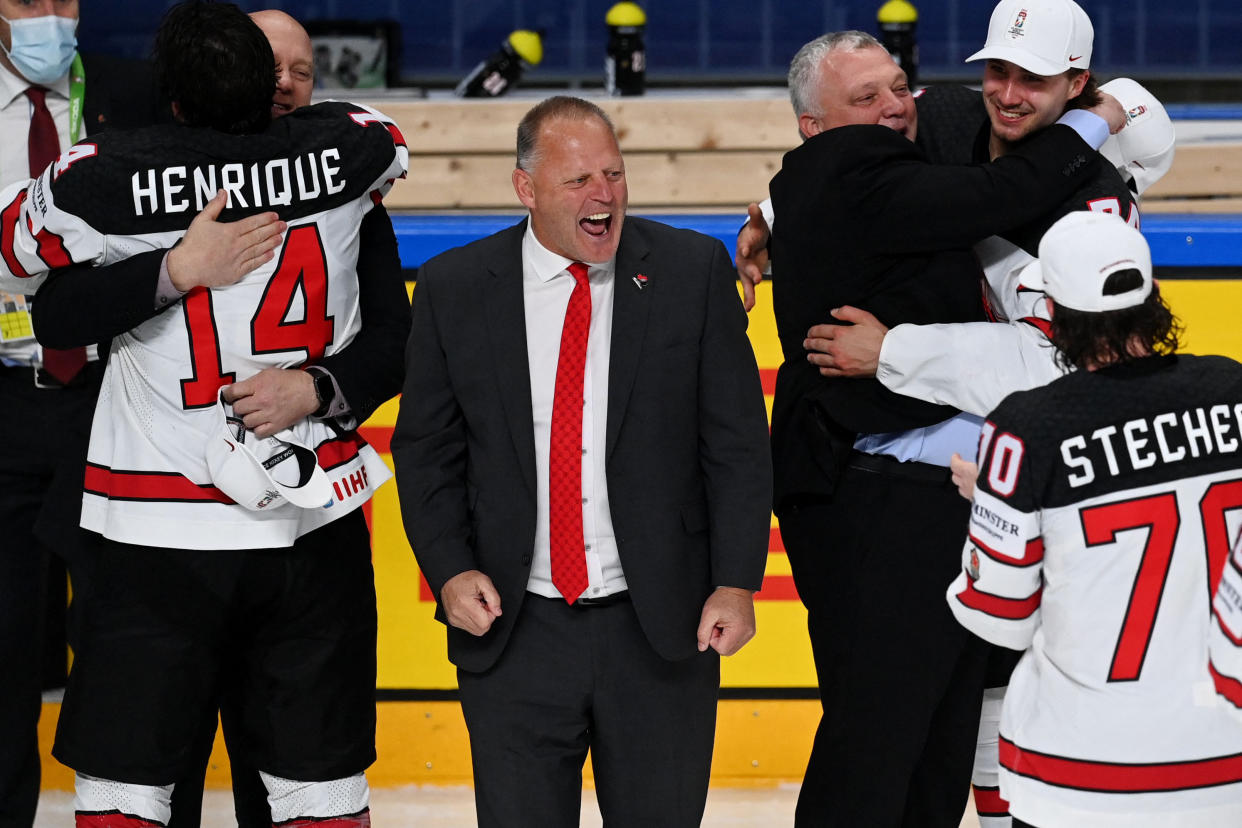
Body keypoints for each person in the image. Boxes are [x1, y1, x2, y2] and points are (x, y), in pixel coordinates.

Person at [0, 2, 407, 825]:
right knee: (321, 790)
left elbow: (16, 260)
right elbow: (384, 137)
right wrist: (176, 267)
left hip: (159, 525)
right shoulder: (352, 153)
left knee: (125, 788)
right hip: (299, 515)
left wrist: (319, 382)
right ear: (261, 85)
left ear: (170, 97)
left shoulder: (101, 174)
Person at [764, 29, 1124, 828]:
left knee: (937, 738)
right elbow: (997, 199)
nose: (896, 106)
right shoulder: (846, 170)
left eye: (899, 85)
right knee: (880, 738)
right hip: (885, 498)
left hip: (944, 494)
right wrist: (1105, 113)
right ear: (815, 128)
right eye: (867, 99)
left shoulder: (906, 147)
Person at [391, 95, 771, 827]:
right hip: (514, 633)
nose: (604, 197)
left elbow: (736, 444)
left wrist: (735, 582)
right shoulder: (456, 286)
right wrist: (449, 568)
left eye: (615, 175)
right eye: (578, 181)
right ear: (525, 188)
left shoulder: (691, 270)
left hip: (661, 631)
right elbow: (428, 452)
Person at [947, 210, 1242, 827]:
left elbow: (998, 617)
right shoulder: (1232, 387)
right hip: (1226, 766)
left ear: (1051, 312)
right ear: (1153, 296)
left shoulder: (1027, 430)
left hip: (1081, 772)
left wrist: (993, 504)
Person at [0, 1, 164, 823]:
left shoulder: (131, 94)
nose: (50, 18)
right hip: (3, 405)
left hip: (115, 400)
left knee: (125, 644)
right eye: (28, 0)